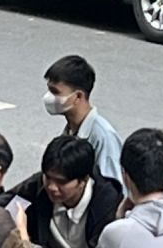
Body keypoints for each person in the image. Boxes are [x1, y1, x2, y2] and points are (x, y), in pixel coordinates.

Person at [43, 55, 123, 183]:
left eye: (55, 92)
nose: (48, 97)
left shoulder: (103, 137)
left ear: (78, 96)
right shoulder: (71, 130)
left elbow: (113, 190)